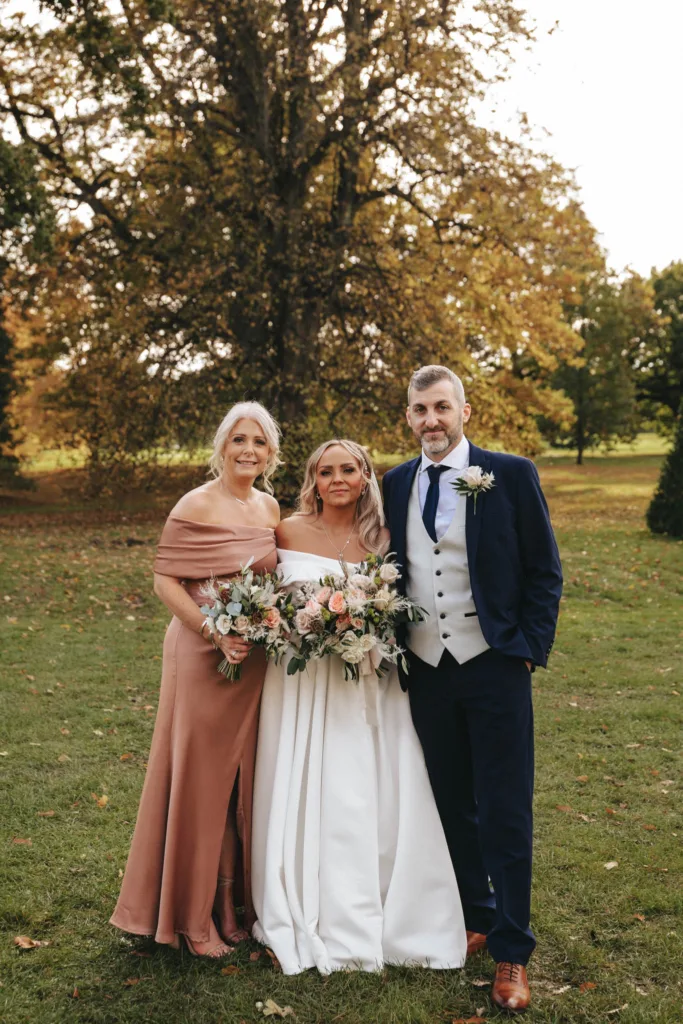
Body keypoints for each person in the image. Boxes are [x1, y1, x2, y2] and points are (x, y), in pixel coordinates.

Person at [382, 366, 562, 1013]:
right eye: (418, 410)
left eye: (440, 407)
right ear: (407, 417)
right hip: (426, 670)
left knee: (505, 807)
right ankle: (477, 914)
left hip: (494, 665)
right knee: (451, 802)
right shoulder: (395, 481)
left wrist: (523, 652)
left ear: (463, 411)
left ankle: (512, 948)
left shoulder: (508, 474)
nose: (430, 420)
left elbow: (545, 572)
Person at [251, 439, 466, 975]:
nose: (338, 479)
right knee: (308, 781)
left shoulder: (384, 539)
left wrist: (365, 622)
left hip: (368, 680)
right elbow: (263, 597)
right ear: (314, 480)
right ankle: (303, 898)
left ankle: (390, 906)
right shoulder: (286, 531)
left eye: (349, 469)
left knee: (366, 785)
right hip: (300, 684)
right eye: (327, 472)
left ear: (366, 476)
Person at [110, 402, 281, 957]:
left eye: (258, 440)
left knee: (240, 787)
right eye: (239, 439)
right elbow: (165, 582)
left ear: (271, 451)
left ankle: (232, 908)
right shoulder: (196, 502)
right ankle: (190, 918)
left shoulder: (270, 507)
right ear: (222, 446)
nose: (248, 449)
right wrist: (214, 633)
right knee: (201, 784)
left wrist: (270, 620)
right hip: (201, 655)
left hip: (252, 662)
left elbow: (271, 582)